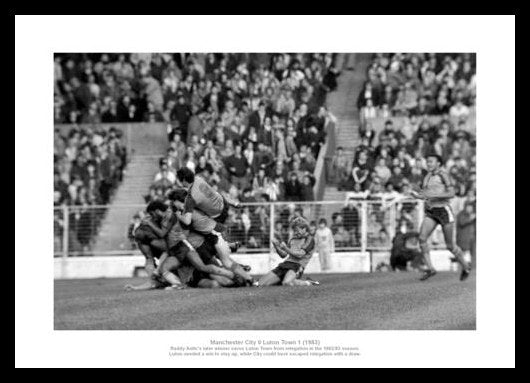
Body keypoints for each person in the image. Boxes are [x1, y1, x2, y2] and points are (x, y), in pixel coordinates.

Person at [408, 154, 472, 281]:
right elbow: (425, 194)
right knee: (422, 238)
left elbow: (452, 193)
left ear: (438, 163)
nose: (428, 164)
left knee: (450, 246)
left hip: (443, 211)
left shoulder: (443, 175)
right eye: (427, 161)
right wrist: (417, 195)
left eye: (431, 161)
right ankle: (431, 268)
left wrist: (433, 196)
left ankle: (465, 266)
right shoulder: (427, 176)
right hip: (431, 211)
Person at [256, 217, 319, 287]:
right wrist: (276, 247)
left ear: (304, 228)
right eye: (294, 230)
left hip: (297, 266)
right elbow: (284, 255)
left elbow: (300, 255)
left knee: (286, 283)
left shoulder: (310, 239)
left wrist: (286, 248)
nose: (295, 233)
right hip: (285, 264)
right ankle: (282, 280)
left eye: (297, 230)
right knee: (260, 284)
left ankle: (308, 283)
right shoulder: (293, 238)